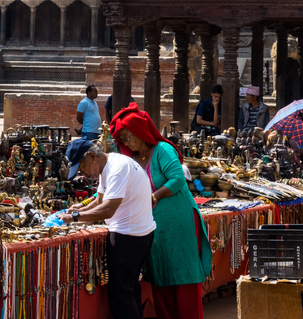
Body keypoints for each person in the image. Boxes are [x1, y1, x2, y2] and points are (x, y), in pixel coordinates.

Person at [110, 104, 212, 319]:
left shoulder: (161, 150)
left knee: (183, 278)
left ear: (139, 131)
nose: (127, 144)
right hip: (155, 227)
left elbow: (177, 179)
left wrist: (153, 197)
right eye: (123, 140)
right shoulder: (135, 160)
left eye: (129, 138)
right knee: (162, 277)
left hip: (179, 222)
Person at [63, 138, 155, 319]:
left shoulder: (117, 169)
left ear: (91, 156)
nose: (83, 173)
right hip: (140, 233)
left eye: (82, 168)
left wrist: (75, 217)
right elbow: (100, 200)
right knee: (130, 289)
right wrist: (80, 208)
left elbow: (107, 209)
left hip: (129, 236)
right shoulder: (111, 162)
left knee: (121, 295)